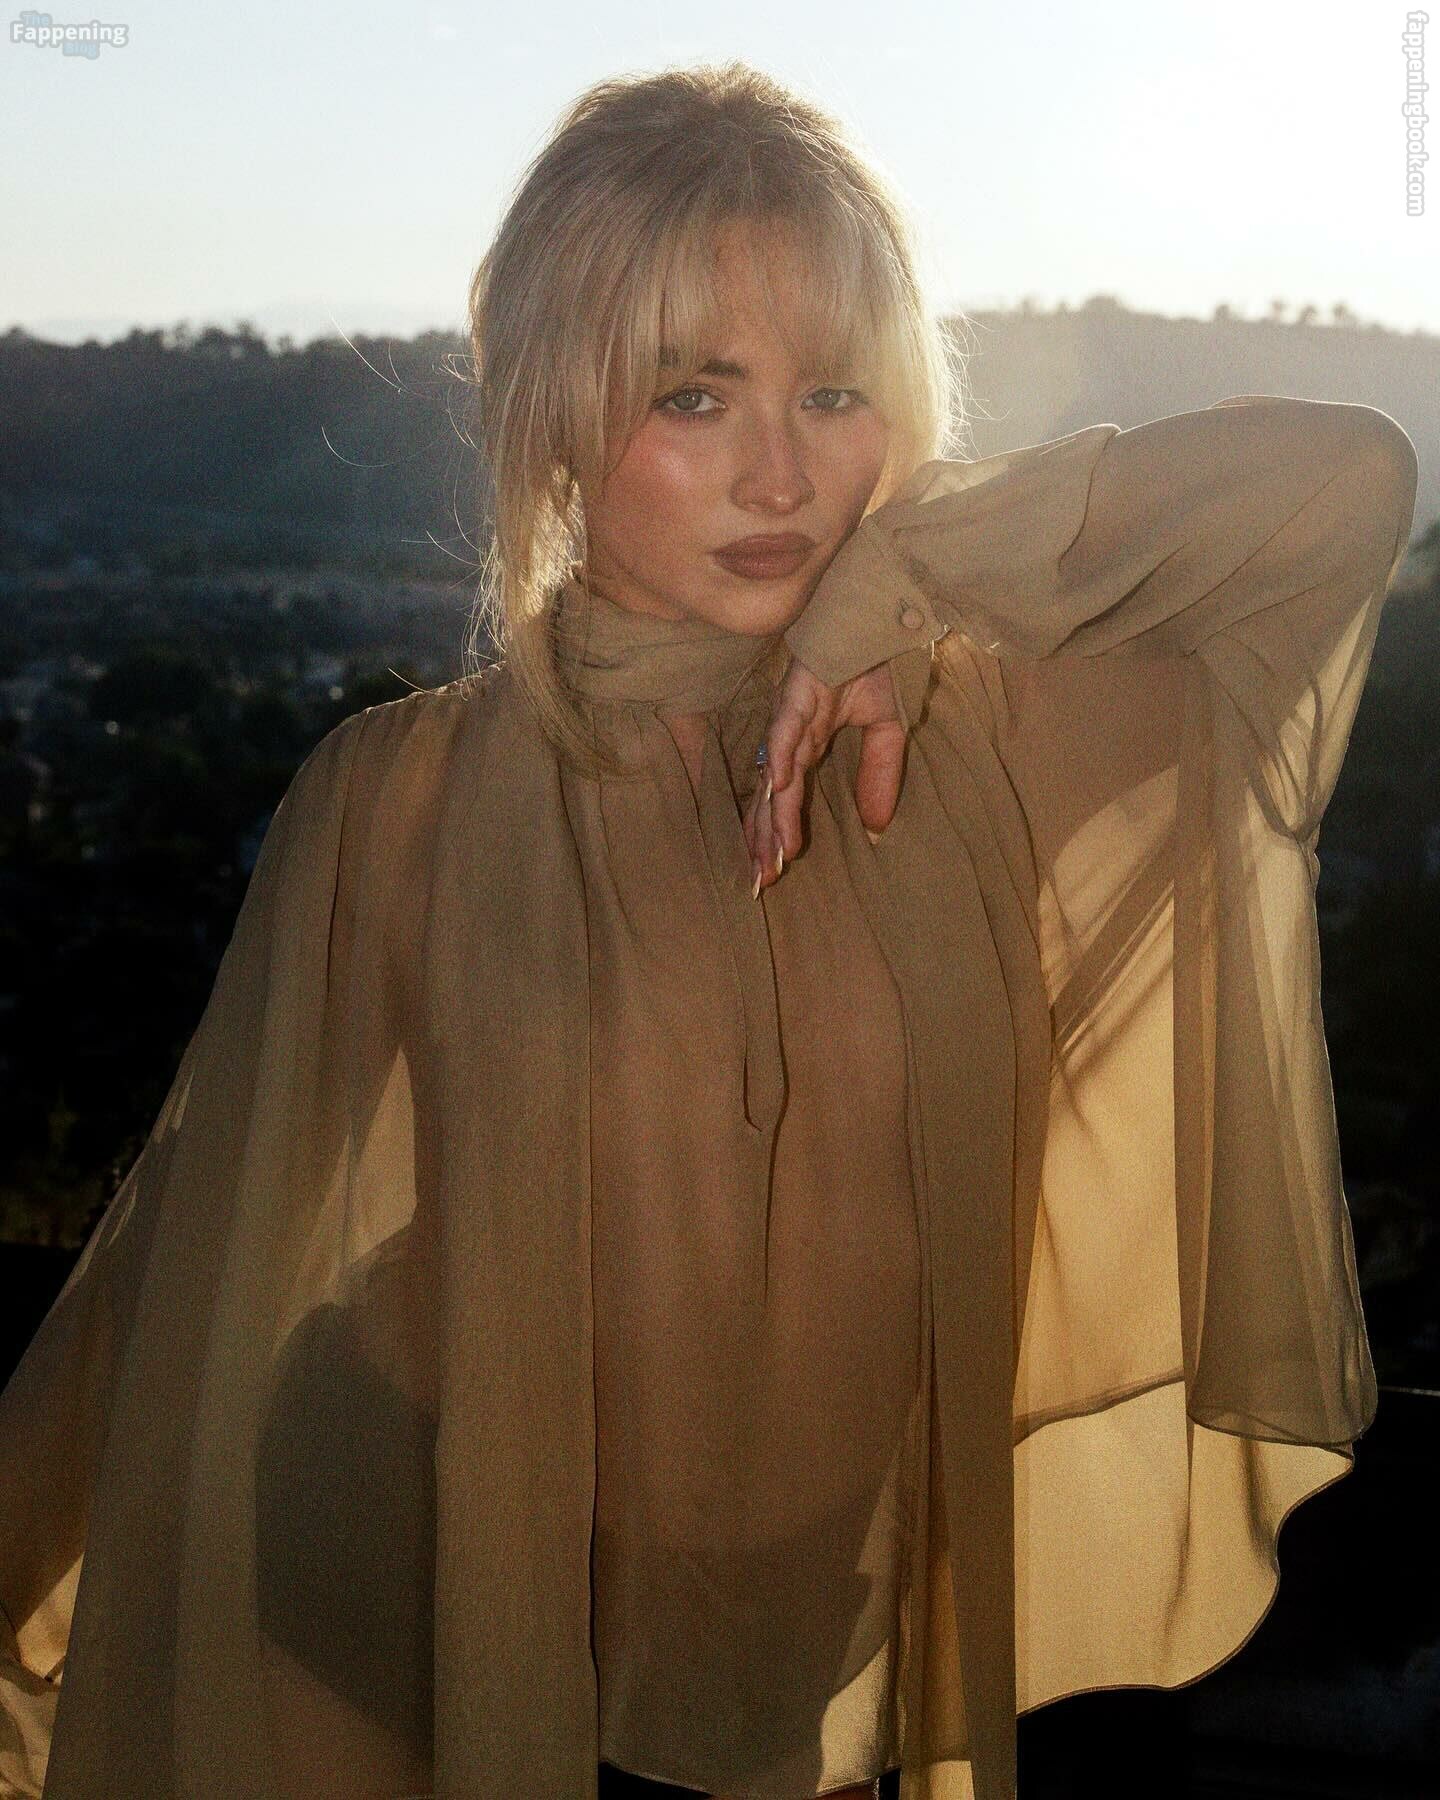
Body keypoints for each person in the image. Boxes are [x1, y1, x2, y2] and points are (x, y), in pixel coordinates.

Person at [0, 58, 1419, 1800]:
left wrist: (905, 582)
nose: (780, 474)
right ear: (558, 420)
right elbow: (190, 1245)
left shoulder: (982, 738)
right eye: (693, 395)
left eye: (833, 391)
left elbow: (1347, 486)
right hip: (397, 1584)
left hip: (794, 1637)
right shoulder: (398, 796)